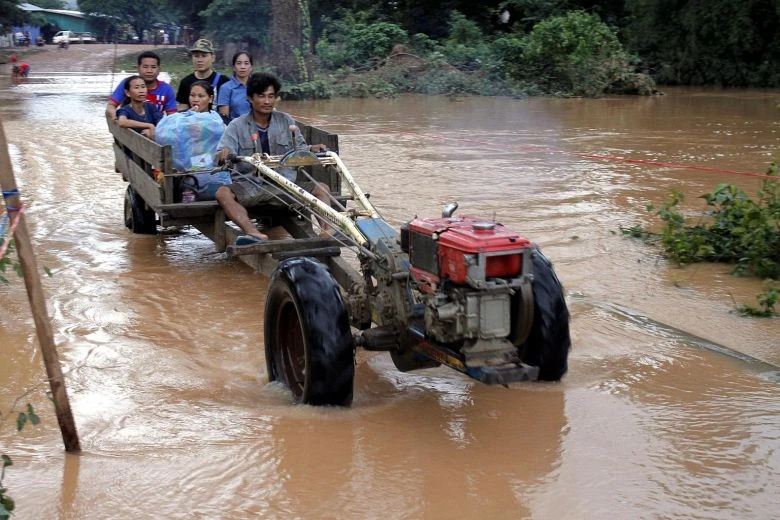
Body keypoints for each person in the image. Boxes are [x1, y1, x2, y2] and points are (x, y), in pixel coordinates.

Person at [215, 72, 329, 244]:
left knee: (322, 188)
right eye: (261, 96)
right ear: (250, 98)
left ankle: (328, 230)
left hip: (286, 185)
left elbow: (299, 148)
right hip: (252, 186)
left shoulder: (285, 120)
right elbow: (223, 152)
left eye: (271, 96)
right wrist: (223, 155)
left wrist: (312, 148)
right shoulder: (236, 125)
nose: (267, 101)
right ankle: (253, 233)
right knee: (223, 193)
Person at [106, 51, 177, 121]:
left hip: (156, 126)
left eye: (153, 67)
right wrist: (115, 117)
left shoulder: (167, 89)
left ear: (159, 70)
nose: (149, 71)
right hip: (129, 124)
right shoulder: (127, 83)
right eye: (145, 67)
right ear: (138, 69)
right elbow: (111, 105)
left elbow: (172, 116)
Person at [176, 39, 229, 112]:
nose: (199, 60)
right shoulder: (186, 82)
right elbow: (182, 109)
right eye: (196, 56)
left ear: (213, 58)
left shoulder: (223, 81)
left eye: (204, 56)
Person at [216, 51, 253, 122]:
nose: (243, 67)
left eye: (246, 63)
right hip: (235, 129)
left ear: (251, 67)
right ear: (233, 67)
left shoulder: (257, 86)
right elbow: (224, 118)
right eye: (239, 63)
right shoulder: (225, 88)